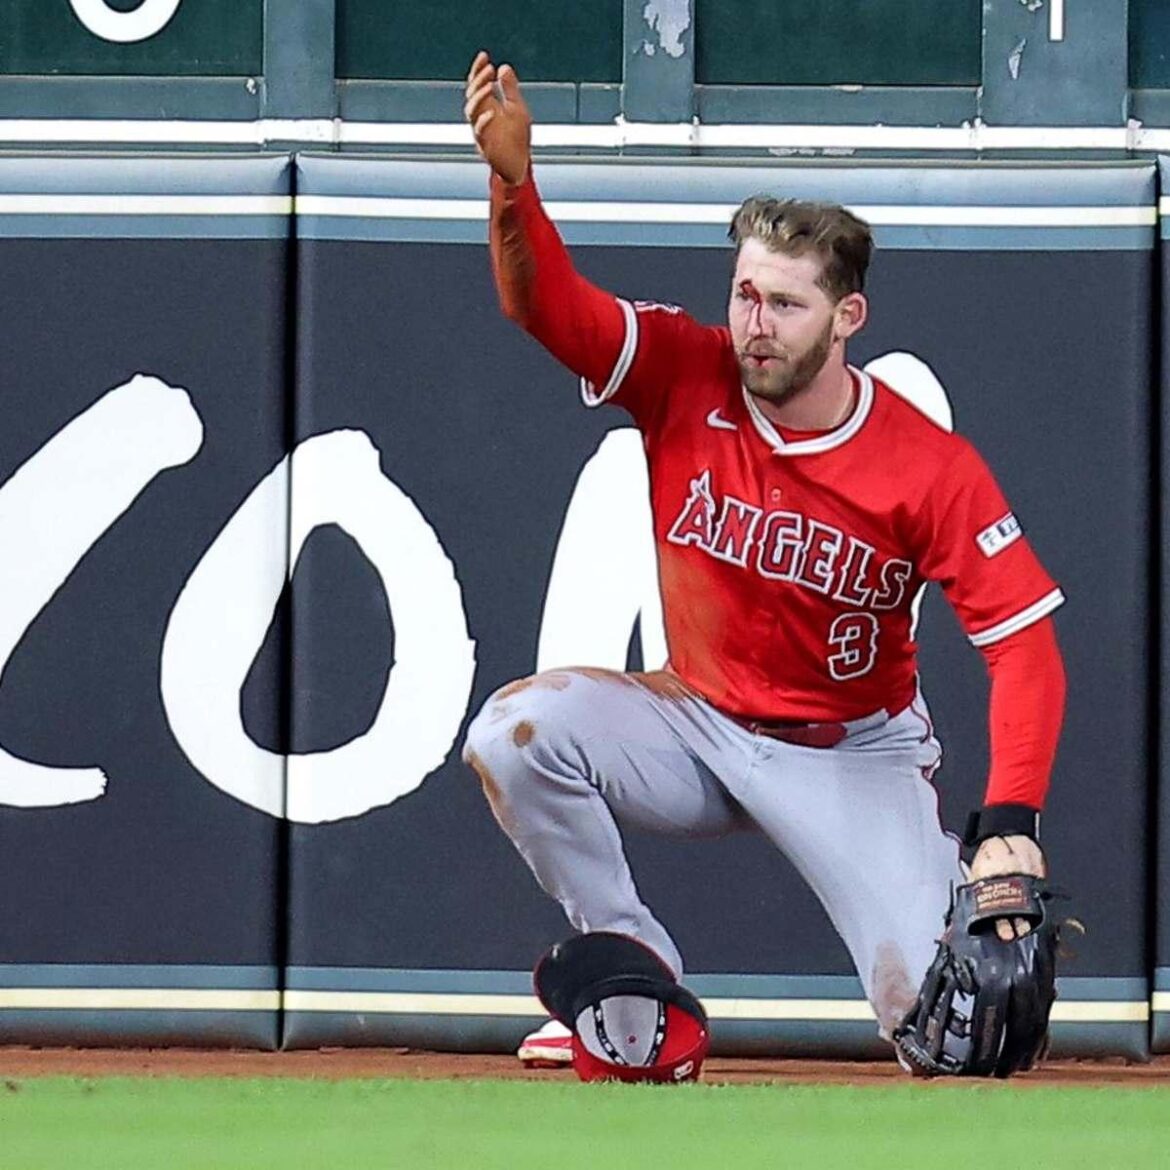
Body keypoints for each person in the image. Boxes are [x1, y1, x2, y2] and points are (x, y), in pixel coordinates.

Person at [460, 51, 1067, 1070]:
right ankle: (632, 985)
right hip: (695, 721)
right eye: (746, 295)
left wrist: (1010, 818)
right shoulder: (683, 369)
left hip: (850, 752)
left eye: (786, 304)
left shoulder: (926, 466)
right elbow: (545, 307)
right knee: (515, 736)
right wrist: (513, 186)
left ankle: (926, 933)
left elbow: (1024, 647)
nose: (755, 325)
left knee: (956, 1038)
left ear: (846, 317)